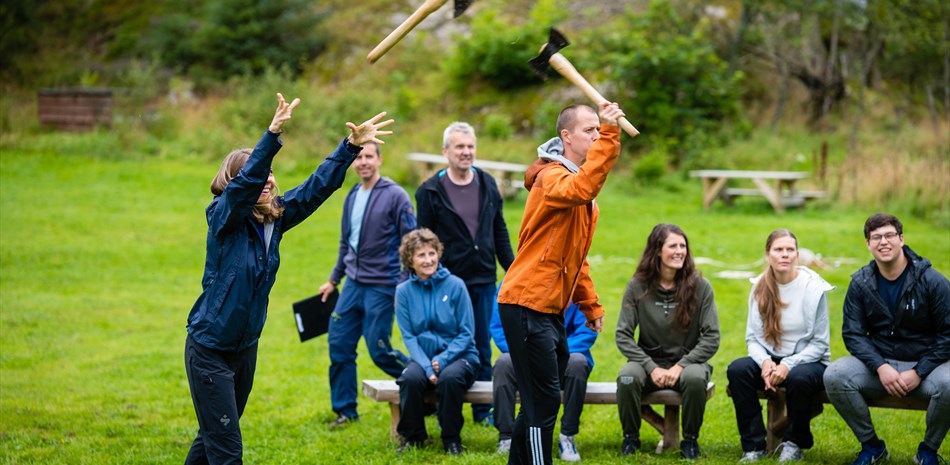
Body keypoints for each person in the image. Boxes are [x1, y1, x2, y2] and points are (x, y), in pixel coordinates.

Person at [183, 93, 393, 464]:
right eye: (257, 174)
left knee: (213, 439)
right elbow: (245, 187)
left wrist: (349, 147)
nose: (267, 180)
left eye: (270, 174)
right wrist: (271, 136)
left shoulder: (274, 218)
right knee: (227, 450)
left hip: (244, 347)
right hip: (209, 350)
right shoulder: (223, 217)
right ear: (235, 182)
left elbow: (315, 188)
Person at [496, 102, 625, 465]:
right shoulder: (553, 178)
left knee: (539, 401)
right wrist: (611, 134)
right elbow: (583, 187)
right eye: (590, 130)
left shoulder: (578, 191)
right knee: (543, 402)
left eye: (598, 129)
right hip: (525, 302)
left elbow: (575, 257)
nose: (596, 135)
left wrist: (590, 305)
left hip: (549, 308)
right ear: (566, 136)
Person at [823, 213, 949, 465]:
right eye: (876, 237)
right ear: (868, 244)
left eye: (890, 235)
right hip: (880, 367)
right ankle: (872, 447)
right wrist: (881, 367)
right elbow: (853, 334)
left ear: (901, 239)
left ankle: (927, 451)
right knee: (835, 375)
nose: (883, 242)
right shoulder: (860, 283)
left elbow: (948, 334)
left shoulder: (932, 281)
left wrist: (919, 371)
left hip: (927, 368)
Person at [415, 121, 514, 424]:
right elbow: (423, 241)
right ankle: (444, 404)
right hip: (446, 283)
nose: (466, 152)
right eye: (459, 146)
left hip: (483, 279)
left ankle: (482, 411)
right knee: (447, 344)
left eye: (470, 146)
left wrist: (513, 270)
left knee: (481, 345)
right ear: (445, 151)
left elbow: (499, 229)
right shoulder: (429, 191)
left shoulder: (487, 183)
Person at [318, 140, 416, 428]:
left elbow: (411, 244)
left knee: (379, 349)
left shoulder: (396, 196)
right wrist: (333, 279)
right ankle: (345, 411)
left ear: (379, 160)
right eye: (359, 158)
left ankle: (423, 382)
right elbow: (345, 243)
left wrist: (403, 285)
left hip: (383, 286)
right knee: (339, 344)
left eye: (369, 157)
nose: (363, 162)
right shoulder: (352, 194)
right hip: (352, 285)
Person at [727, 229, 834, 463]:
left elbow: (819, 344)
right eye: (778, 249)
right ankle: (754, 447)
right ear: (768, 255)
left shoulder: (814, 288)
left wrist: (787, 365)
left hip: (808, 361)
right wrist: (765, 362)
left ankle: (794, 444)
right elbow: (752, 338)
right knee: (738, 370)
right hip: (772, 358)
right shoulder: (759, 286)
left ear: (797, 254)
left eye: (789, 250)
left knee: (799, 378)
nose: (784, 254)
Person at [615, 223, 720, 460]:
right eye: (673, 246)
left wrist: (680, 366)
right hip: (648, 363)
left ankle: (690, 440)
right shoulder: (637, 286)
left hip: (689, 362)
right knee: (627, 377)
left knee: (695, 379)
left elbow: (712, 336)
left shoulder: (700, 286)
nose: (680, 251)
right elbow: (623, 335)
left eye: (683, 246)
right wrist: (651, 367)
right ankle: (630, 438)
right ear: (657, 251)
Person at [490, 280, 597, 462]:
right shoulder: (512, 281)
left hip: (565, 353)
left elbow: (586, 331)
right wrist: (524, 351)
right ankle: (506, 436)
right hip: (525, 352)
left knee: (578, 363)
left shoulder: (573, 281)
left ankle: (567, 436)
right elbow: (499, 327)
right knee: (503, 363)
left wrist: (554, 353)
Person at [393, 228, 479, 455]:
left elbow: (467, 333)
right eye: (421, 255)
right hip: (423, 357)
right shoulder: (403, 291)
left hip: (460, 356)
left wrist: (443, 359)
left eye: (432, 253)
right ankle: (414, 438)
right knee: (409, 379)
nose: (428, 260)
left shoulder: (456, 285)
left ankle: (452, 440)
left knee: (449, 379)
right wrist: (427, 367)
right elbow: (408, 336)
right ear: (410, 260)